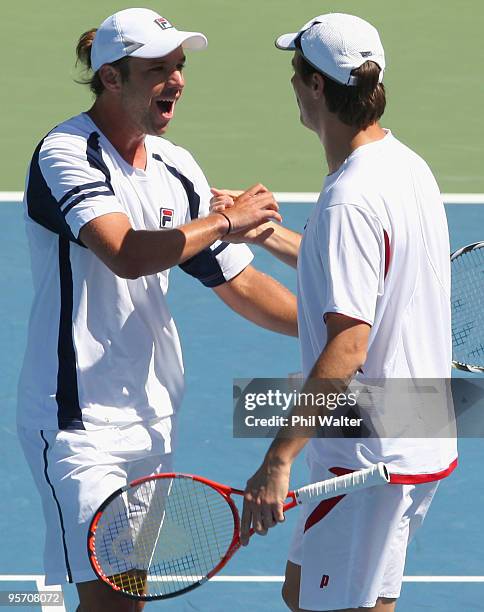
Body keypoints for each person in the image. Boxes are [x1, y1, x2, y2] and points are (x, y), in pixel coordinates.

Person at [16, 8, 298, 611]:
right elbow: (125, 253)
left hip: (152, 416)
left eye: (179, 66)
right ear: (111, 79)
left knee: (129, 600)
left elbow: (236, 280)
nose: (176, 81)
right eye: (157, 70)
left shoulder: (176, 167)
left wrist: (335, 334)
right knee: (112, 602)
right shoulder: (65, 153)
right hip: (78, 423)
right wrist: (226, 219)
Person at [213, 13, 457, 612]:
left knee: (325, 603)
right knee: (339, 596)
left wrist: (279, 457)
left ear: (317, 86)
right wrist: (268, 233)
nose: (292, 85)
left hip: (368, 451)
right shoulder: (405, 165)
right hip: (416, 431)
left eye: (296, 72)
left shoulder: (349, 197)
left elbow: (348, 347)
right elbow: (358, 272)